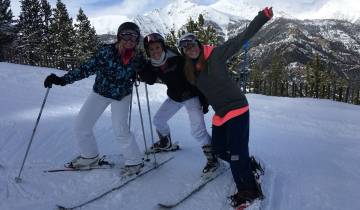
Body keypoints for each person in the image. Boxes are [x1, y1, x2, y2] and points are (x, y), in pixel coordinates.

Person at [177, 7, 273, 207]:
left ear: (198, 43)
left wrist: (262, 17)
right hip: (221, 113)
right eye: (186, 47)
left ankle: (248, 191)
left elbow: (242, 37)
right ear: (184, 52)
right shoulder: (190, 71)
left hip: (237, 108)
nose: (191, 48)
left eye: (192, 44)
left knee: (237, 153)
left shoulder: (217, 55)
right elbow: (200, 90)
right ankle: (247, 164)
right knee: (220, 150)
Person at [43, 22, 144, 176]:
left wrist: (147, 73)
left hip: (121, 96)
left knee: (120, 129)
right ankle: (90, 156)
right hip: (100, 93)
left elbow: (148, 71)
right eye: (126, 35)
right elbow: (86, 68)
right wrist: (62, 80)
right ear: (119, 36)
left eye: (134, 36)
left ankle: (134, 161)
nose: (130, 39)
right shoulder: (106, 52)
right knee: (81, 125)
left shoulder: (137, 57)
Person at [136, 32, 218, 174]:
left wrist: (203, 99)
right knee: (158, 120)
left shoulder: (176, 59)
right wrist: (139, 67)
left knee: (197, 131)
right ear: (148, 51)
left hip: (190, 95)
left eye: (157, 47)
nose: (155, 51)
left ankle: (213, 158)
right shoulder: (153, 63)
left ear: (163, 46)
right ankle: (165, 143)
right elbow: (149, 79)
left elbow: (194, 76)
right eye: (151, 49)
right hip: (176, 96)